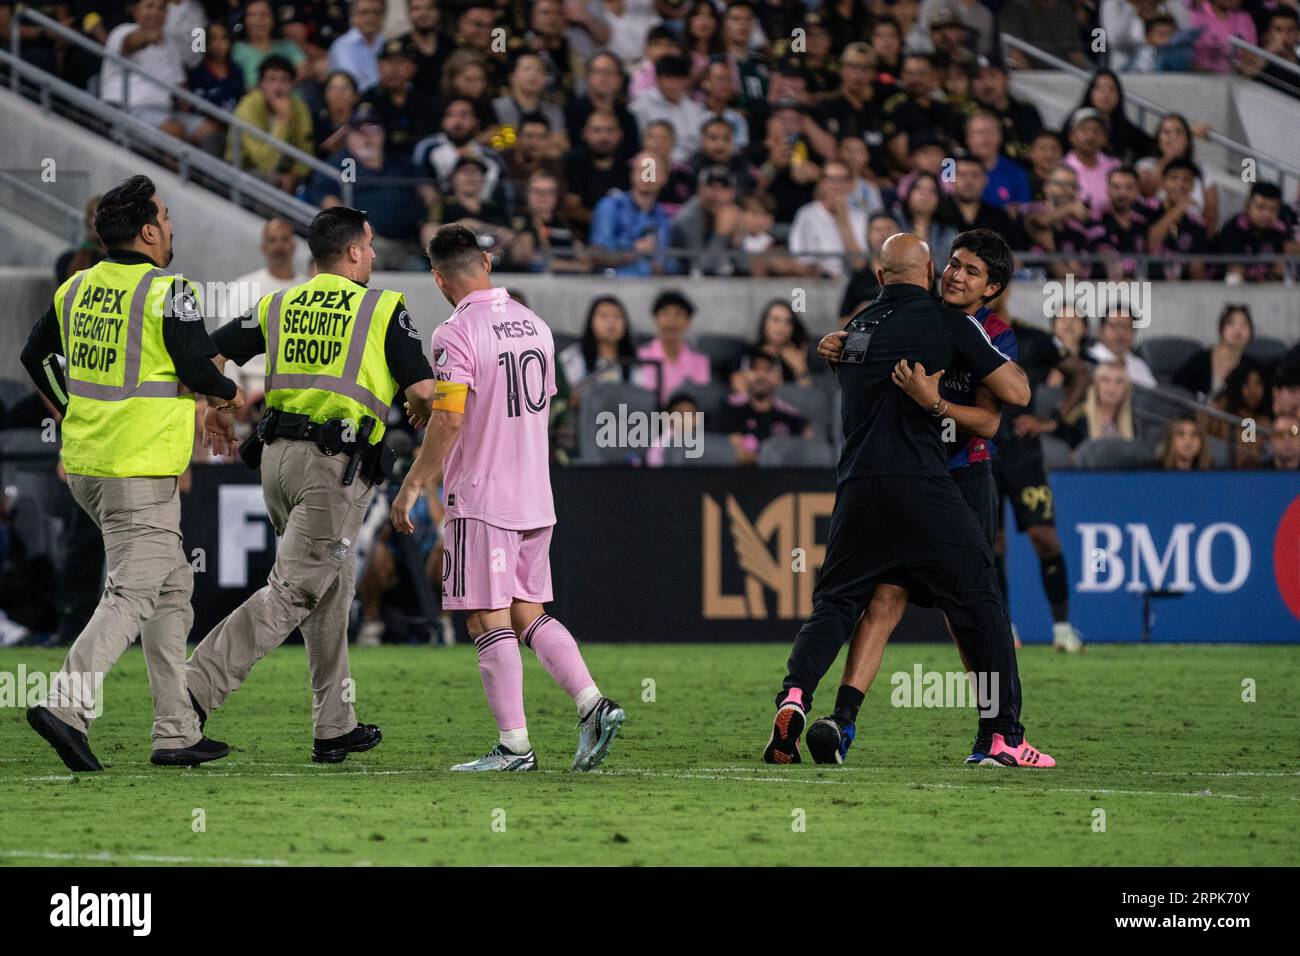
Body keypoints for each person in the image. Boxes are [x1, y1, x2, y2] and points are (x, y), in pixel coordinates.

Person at [762, 232, 1052, 768]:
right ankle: (851, 724)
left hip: (960, 476)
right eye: (953, 265)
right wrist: (838, 347)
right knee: (899, 601)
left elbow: (991, 419)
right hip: (922, 479)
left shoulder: (989, 333)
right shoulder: (924, 316)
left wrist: (933, 400)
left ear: (993, 289)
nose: (956, 276)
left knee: (954, 615)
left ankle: (799, 697)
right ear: (931, 270)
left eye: (970, 272)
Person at [186, 206, 437, 763]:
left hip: (276, 463)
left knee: (332, 586)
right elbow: (422, 391)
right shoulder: (380, 307)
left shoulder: (279, 302)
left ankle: (334, 725)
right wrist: (425, 406)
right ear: (351, 253)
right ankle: (190, 694)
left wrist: (220, 404)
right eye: (369, 247)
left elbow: (209, 352)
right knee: (294, 591)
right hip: (334, 468)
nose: (373, 256)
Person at [19, 174, 242, 771]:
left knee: (172, 589)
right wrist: (229, 395)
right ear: (147, 231)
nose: (171, 227)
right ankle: (66, 704)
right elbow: (197, 365)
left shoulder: (78, 288)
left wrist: (69, 408)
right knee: (134, 591)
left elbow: (34, 356)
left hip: (91, 465)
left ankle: (175, 730)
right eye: (166, 218)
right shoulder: (171, 291)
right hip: (138, 469)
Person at [389, 223, 626, 772]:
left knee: (484, 618)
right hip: (535, 495)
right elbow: (527, 406)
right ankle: (592, 703)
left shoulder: (454, 333)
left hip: (483, 496)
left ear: (438, 280)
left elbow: (450, 420)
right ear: (487, 264)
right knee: (528, 611)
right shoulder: (536, 324)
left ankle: (515, 746)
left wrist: (413, 484)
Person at [228, 55, 315, 193]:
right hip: (244, 168)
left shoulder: (299, 107)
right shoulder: (247, 107)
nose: (277, 86)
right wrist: (283, 121)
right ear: (261, 84)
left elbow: (306, 151)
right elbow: (265, 163)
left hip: (284, 170)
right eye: (271, 79)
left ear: (293, 84)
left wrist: (294, 175)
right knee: (269, 182)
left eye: (284, 80)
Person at [720, 349, 812, 466]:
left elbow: (807, 450)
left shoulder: (791, 415)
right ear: (743, 376)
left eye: (768, 369)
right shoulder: (730, 409)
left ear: (779, 377)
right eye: (754, 369)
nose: (761, 375)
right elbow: (735, 454)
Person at [636, 288, 711, 405]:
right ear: (656, 319)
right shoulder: (640, 356)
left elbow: (699, 401)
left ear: (688, 321)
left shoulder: (700, 360)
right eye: (665, 314)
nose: (671, 321)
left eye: (678, 314)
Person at [1172, 304, 1259, 401]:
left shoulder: (1253, 365)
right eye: (1231, 323)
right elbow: (1176, 390)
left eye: (1244, 324)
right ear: (1221, 329)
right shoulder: (1201, 360)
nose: (1238, 329)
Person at [1087, 311, 1158, 388]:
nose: (1121, 332)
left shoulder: (1139, 365)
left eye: (1127, 327)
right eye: (1114, 326)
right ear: (1100, 331)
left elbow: (1154, 395)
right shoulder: (1086, 359)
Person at [328, 0, 387, 92]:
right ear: (353, 17)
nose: (371, 17)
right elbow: (354, 84)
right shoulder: (342, 46)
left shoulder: (385, 43)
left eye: (377, 12)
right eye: (365, 12)